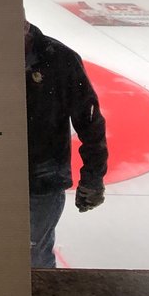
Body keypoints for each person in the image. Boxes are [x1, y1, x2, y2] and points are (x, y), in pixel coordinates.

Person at [25, 19, 107, 268]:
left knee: (33, 258)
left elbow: (90, 121)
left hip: (41, 182)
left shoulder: (60, 60)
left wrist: (93, 177)